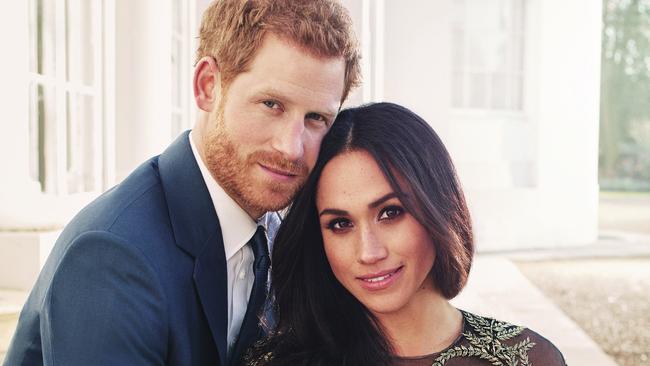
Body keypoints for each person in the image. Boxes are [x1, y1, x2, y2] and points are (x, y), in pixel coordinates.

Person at [4, 1, 360, 365]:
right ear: (207, 86)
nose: (291, 147)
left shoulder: (275, 227)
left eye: (316, 117)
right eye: (271, 104)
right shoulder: (112, 258)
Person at [244, 102, 567, 366]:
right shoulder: (274, 362)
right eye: (341, 224)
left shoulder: (528, 358)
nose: (368, 253)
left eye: (390, 213)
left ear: (437, 207)